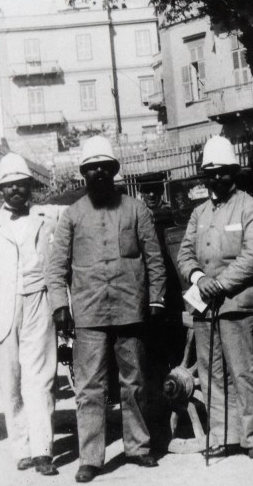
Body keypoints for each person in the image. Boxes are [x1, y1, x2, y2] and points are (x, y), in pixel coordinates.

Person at [46, 136, 166, 483]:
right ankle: (91, 458)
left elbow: (154, 258)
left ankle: (138, 447)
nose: (98, 172)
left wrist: (156, 299)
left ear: (114, 171)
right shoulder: (72, 215)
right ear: (84, 173)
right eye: (91, 168)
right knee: (89, 387)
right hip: (89, 313)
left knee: (136, 381)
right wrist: (60, 306)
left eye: (104, 167)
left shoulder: (136, 209)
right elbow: (56, 269)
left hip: (130, 308)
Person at [176, 135, 253, 460]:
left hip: (237, 303)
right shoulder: (199, 214)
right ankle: (220, 435)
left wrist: (221, 284)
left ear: (234, 171)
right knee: (211, 373)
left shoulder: (250, 207)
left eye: (223, 171)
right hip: (203, 305)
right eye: (210, 172)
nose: (216, 177)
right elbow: (185, 254)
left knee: (244, 371)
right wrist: (199, 279)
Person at [0, 153, 58, 476]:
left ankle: (42, 450)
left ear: (30, 186)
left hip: (39, 302)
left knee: (40, 377)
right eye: (10, 186)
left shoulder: (46, 217)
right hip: (2, 310)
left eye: (22, 185)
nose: (16, 191)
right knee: (11, 382)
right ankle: (21, 447)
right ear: (1, 190)